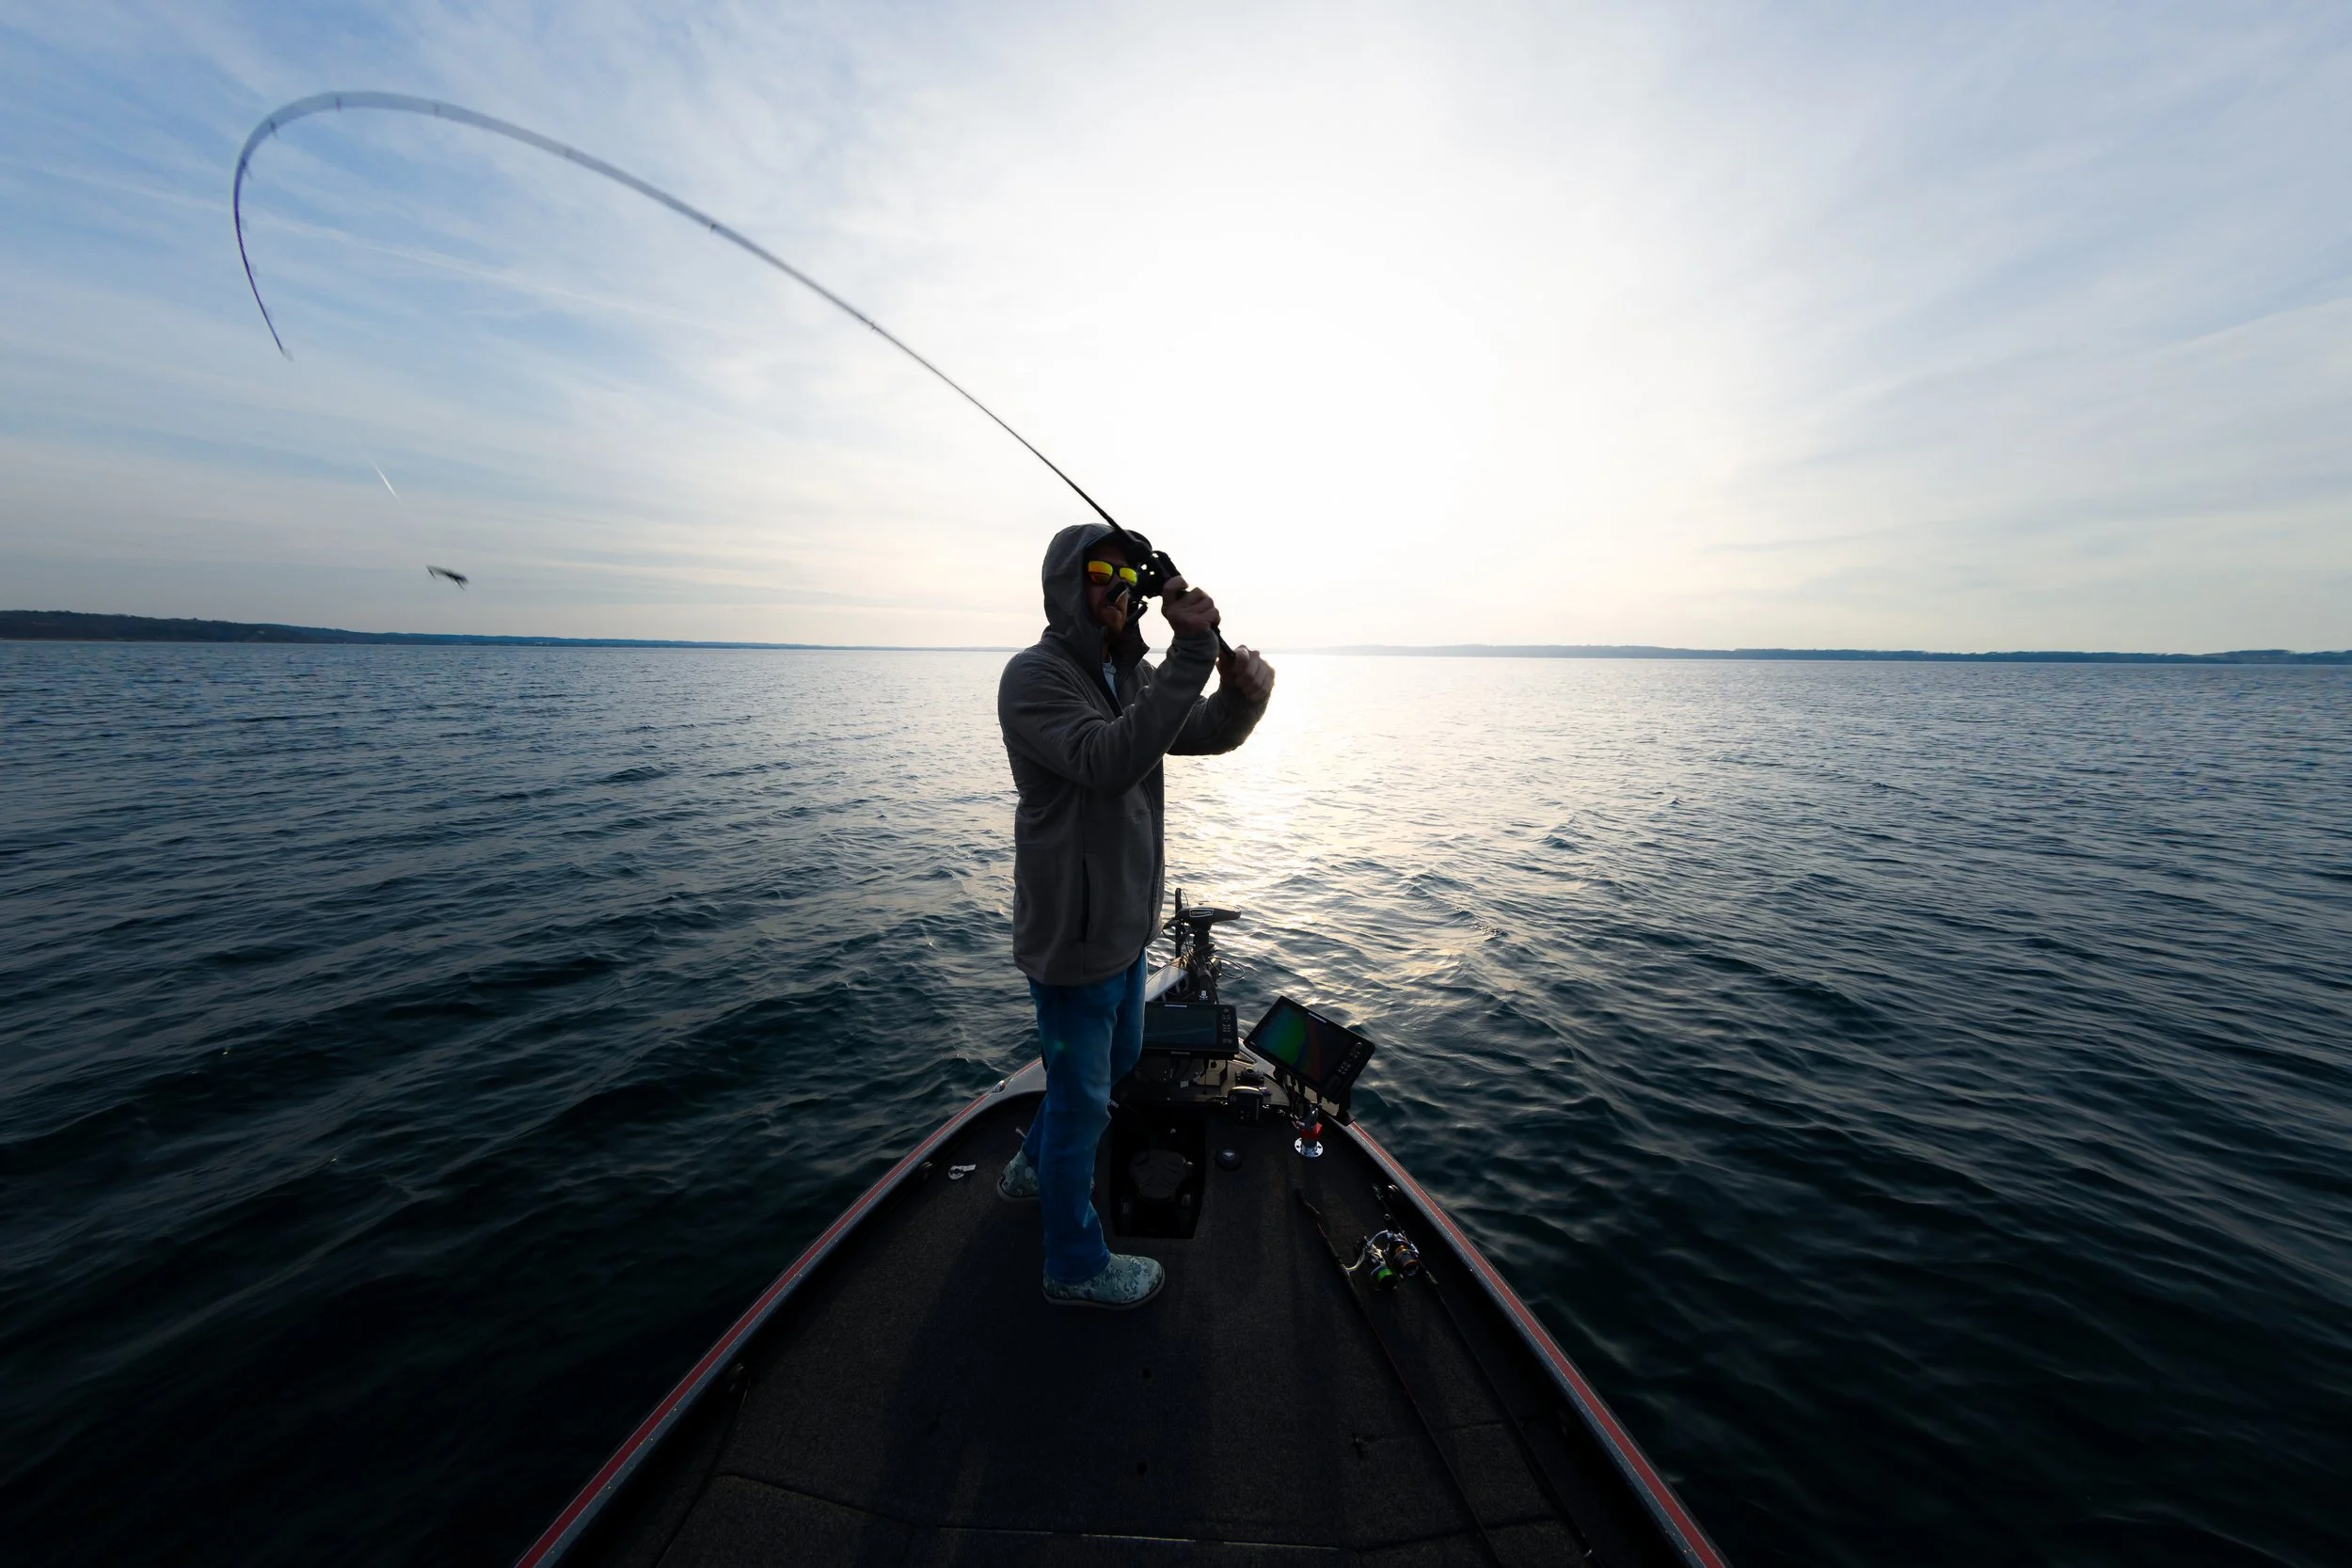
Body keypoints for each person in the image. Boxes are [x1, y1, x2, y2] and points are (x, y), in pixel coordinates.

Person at [994, 523, 1275, 1307]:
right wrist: (1189, 656)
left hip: (1124, 933)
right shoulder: (1034, 679)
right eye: (1099, 572)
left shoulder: (1131, 674)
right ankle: (1074, 1266)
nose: (1118, 585)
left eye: (1127, 573)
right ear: (1063, 586)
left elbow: (1202, 732)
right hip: (1073, 941)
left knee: (1111, 1069)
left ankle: (1030, 1165)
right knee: (1084, 1103)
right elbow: (1110, 760)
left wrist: (1243, 695)